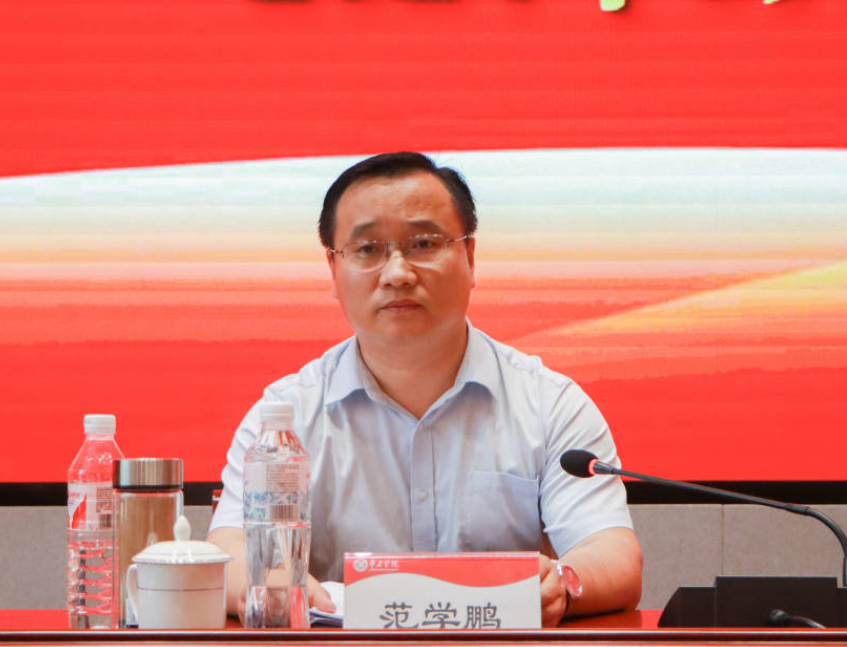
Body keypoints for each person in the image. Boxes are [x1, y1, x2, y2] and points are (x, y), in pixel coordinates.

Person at [207, 152, 642, 627]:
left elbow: (612, 552)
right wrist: (273, 581)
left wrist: (563, 583)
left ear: (470, 258)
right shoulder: (284, 419)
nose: (397, 273)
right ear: (334, 269)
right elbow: (226, 552)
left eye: (423, 244)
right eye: (367, 249)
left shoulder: (550, 403)